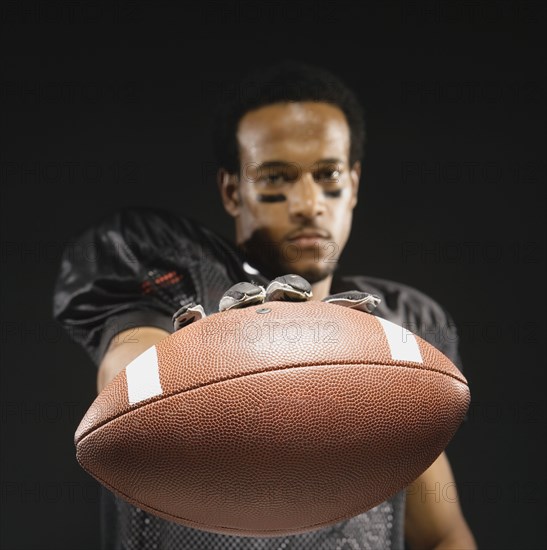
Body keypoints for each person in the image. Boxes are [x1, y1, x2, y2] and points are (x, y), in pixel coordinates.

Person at [53, 60, 476, 550]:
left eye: (328, 176)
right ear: (233, 190)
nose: (307, 202)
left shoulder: (396, 329)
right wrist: (204, 361)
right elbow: (128, 371)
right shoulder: (181, 275)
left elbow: (442, 531)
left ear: (354, 184)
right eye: (277, 178)